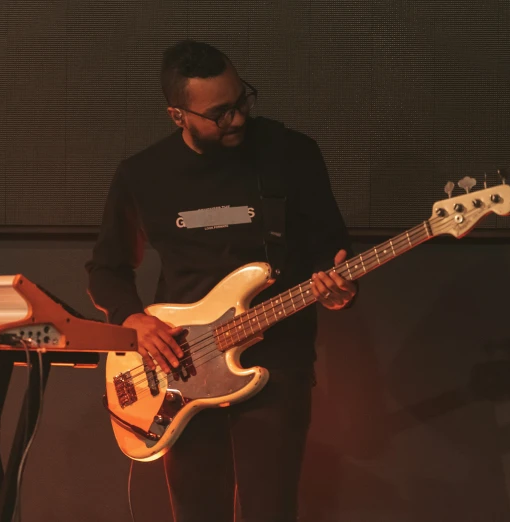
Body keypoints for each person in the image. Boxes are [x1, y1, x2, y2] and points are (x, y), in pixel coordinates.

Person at [86, 40, 357, 522]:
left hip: (276, 359)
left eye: (241, 101)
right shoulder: (142, 175)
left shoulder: (291, 154)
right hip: (182, 369)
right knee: (196, 512)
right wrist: (135, 322)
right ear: (177, 115)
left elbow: (330, 248)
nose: (237, 119)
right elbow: (106, 268)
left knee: (269, 510)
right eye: (219, 113)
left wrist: (338, 288)